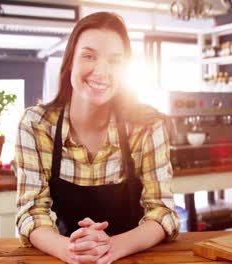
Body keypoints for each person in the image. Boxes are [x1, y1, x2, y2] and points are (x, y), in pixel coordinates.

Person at [15, 12, 179, 264]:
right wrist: (71, 250)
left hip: (130, 256)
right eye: (89, 56)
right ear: (70, 61)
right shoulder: (36, 126)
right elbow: (31, 213)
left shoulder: (147, 126)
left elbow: (162, 211)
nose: (101, 71)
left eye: (115, 60)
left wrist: (111, 247)